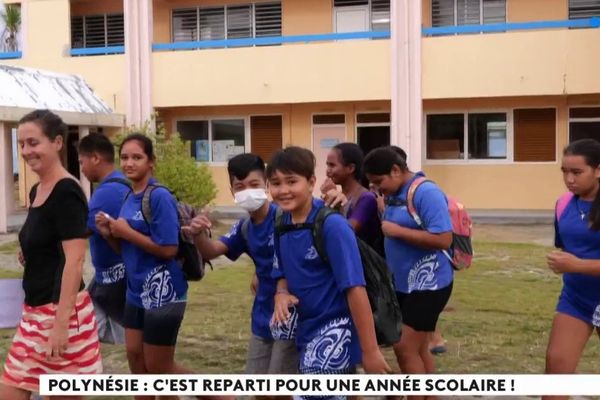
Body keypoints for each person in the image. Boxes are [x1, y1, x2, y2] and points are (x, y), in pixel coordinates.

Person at [269, 146, 390, 389]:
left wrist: (371, 351)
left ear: (311, 181)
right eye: (275, 183)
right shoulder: (282, 221)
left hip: (334, 331)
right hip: (304, 328)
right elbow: (281, 271)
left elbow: (355, 288)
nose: (283, 190)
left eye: (292, 181)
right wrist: (281, 294)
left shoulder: (332, 225)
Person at [1, 110, 102, 400]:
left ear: (57, 142)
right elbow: (47, 240)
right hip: (34, 314)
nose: (26, 151)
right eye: (21, 144)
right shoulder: (36, 191)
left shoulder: (67, 191)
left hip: (62, 315)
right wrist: (30, 251)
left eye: (33, 142)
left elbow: (76, 260)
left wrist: (60, 326)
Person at [184, 153, 299, 379]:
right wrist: (198, 234)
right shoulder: (244, 227)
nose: (247, 191)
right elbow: (212, 250)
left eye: (254, 184)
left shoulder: (287, 218)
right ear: (232, 191)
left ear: (266, 184)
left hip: (291, 315)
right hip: (262, 316)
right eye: (240, 186)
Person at [96, 133, 190, 400]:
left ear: (151, 162)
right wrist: (109, 234)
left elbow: (168, 248)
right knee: (136, 359)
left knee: (160, 366)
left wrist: (126, 232)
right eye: (124, 157)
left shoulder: (158, 197)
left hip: (164, 291)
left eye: (137, 157)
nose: (129, 163)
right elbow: (127, 251)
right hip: (135, 291)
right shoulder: (128, 197)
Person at [364, 147, 452, 395]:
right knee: (419, 349)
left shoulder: (426, 192)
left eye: (379, 181)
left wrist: (397, 231)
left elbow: (444, 238)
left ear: (395, 170)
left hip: (428, 285)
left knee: (404, 348)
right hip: (403, 285)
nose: (377, 188)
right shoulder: (395, 193)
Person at [544, 139, 600, 400]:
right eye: (564, 171)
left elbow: (575, 260)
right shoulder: (563, 204)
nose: (569, 179)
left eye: (577, 172)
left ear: (598, 170)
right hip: (577, 299)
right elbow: (566, 247)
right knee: (555, 374)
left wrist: (577, 265)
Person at [78, 133, 130, 345]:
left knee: (127, 341)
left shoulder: (106, 193)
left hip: (116, 280)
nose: (81, 168)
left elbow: (79, 231)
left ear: (96, 158)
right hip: (110, 277)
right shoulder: (122, 185)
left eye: (82, 162)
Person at [322, 143, 383, 255]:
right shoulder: (340, 195)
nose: (327, 171)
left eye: (332, 165)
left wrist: (334, 204)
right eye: (327, 165)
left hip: (363, 265)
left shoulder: (366, 198)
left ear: (350, 168)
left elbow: (346, 231)